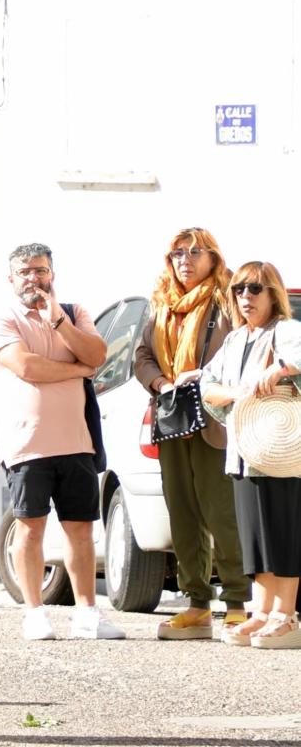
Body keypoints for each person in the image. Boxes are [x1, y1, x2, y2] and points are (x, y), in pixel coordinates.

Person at [0, 243, 124, 642]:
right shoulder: (0, 319)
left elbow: (97, 353)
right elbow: (26, 367)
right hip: (27, 444)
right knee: (30, 528)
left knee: (81, 529)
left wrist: (58, 322)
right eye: (25, 272)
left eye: (40, 270)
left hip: (76, 441)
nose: (34, 278)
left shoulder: (74, 314)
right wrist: (78, 369)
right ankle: (34, 612)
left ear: (52, 275)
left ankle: (87, 615)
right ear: (11, 279)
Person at [133, 228, 248, 639]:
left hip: (215, 416)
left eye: (195, 252)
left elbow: (243, 348)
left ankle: (236, 601)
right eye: (178, 253)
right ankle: (197, 604)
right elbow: (141, 356)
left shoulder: (228, 298)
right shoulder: (161, 302)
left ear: (213, 258)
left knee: (221, 512)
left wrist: (207, 375)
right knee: (182, 513)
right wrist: (162, 383)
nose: (185, 259)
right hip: (172, 416)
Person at [195, 261, 301, 649]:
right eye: (239, 289)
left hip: (283, 447)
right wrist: (241, 392)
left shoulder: (287, 332)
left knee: (283, 531)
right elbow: (208, 386)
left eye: (255, 289)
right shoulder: (235, 340)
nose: (245, 297)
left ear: (274, 293)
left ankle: (285, 615)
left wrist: (280, 369)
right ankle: (262, 611)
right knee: (255, 536)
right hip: (243, 448)